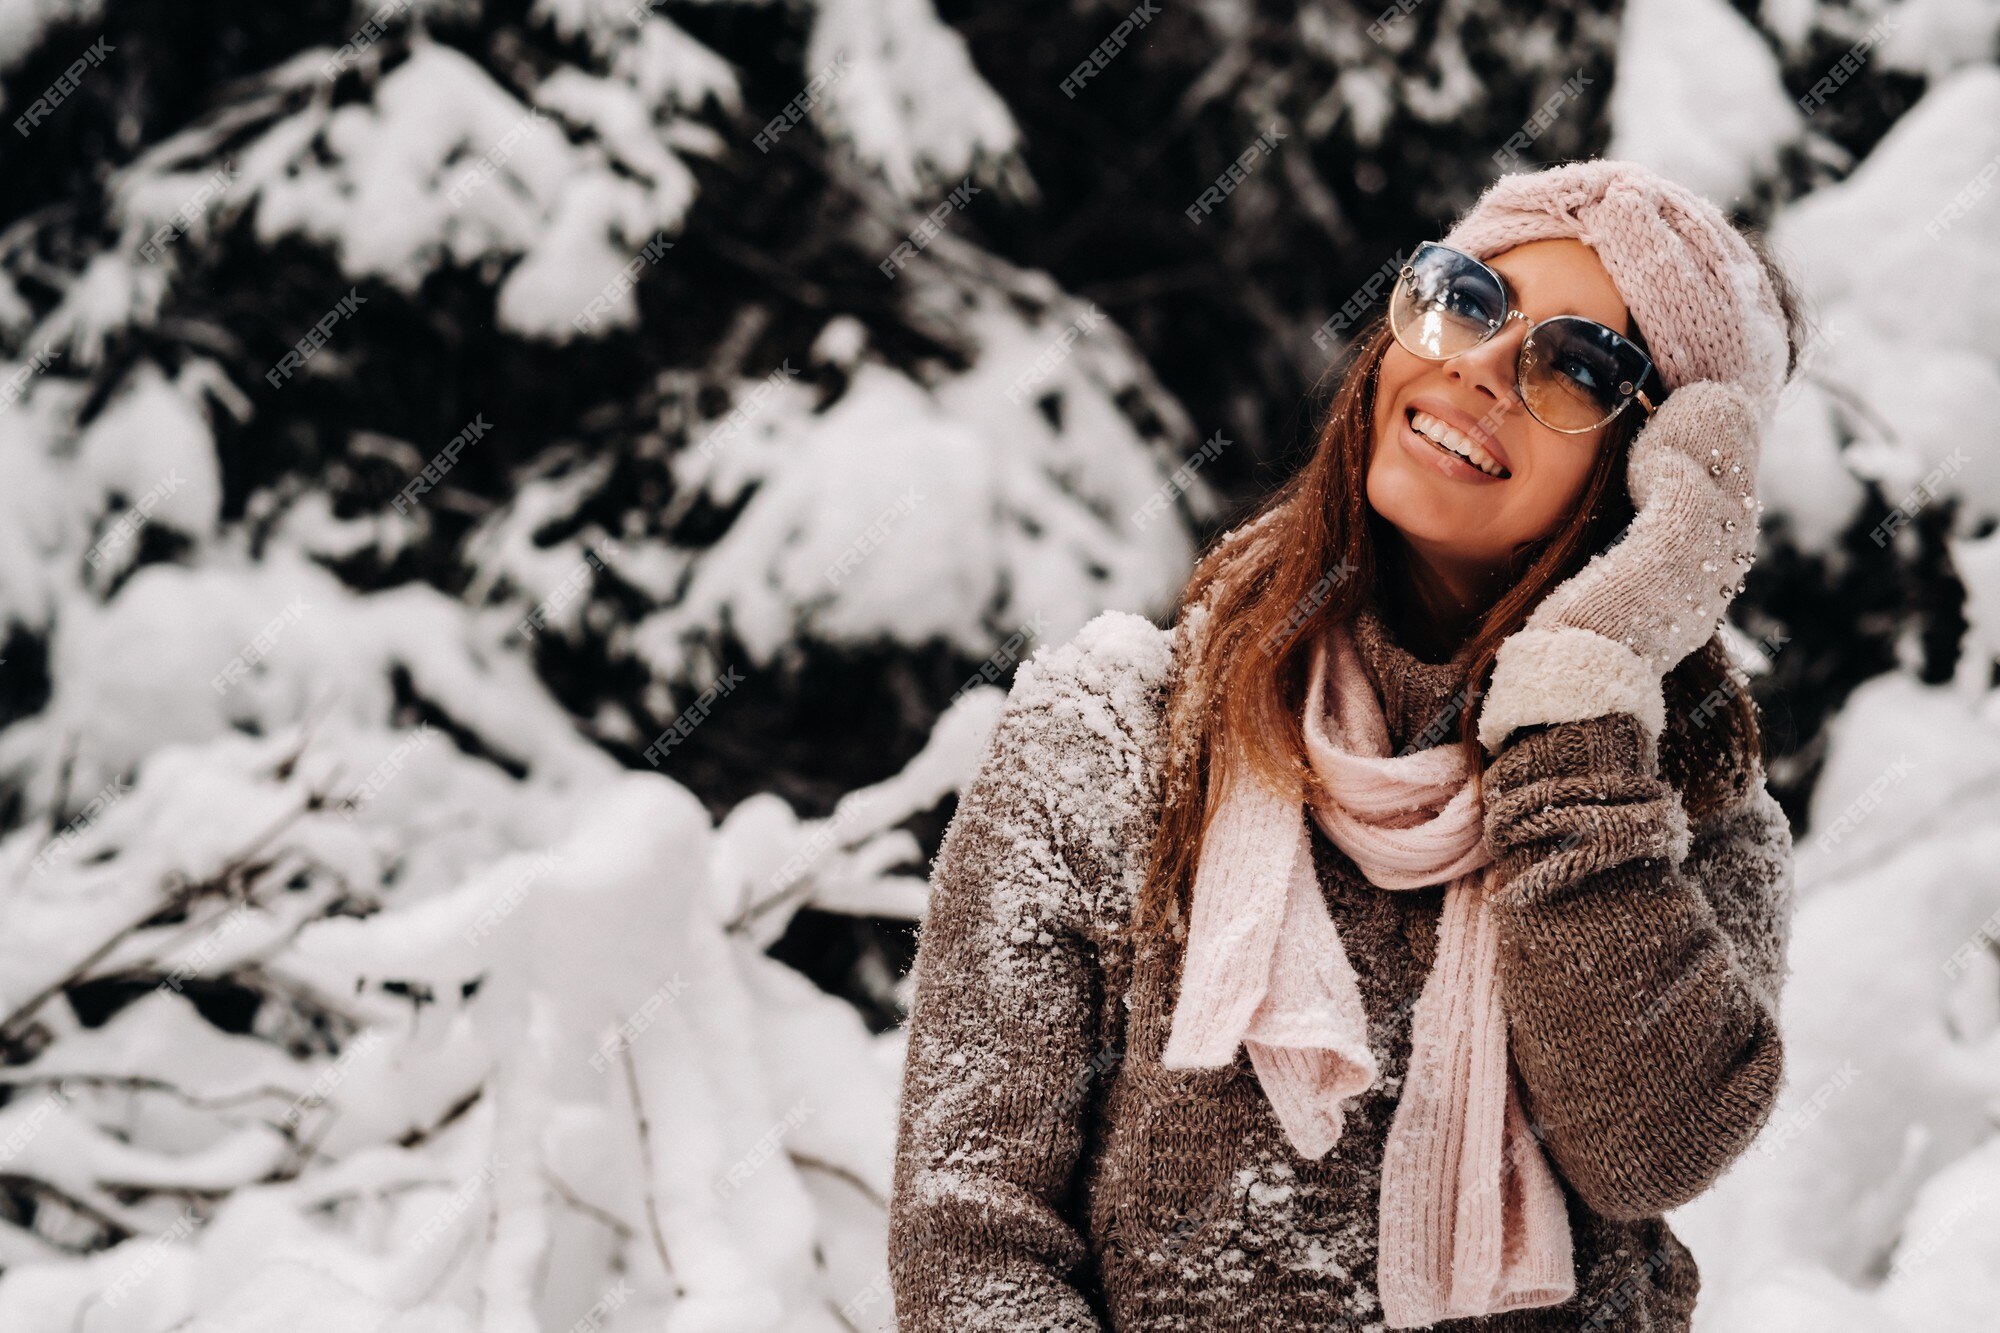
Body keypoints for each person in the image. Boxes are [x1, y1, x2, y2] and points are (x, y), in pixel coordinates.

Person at [886, 158, 1806, 1332]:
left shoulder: (1683, 807)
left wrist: (1577, 691)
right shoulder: (1104, 737)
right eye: (1466, 300)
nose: (1475, 363)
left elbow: (1647, 1151)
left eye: (1573, 366)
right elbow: (972, 1242)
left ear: (1655, 478)